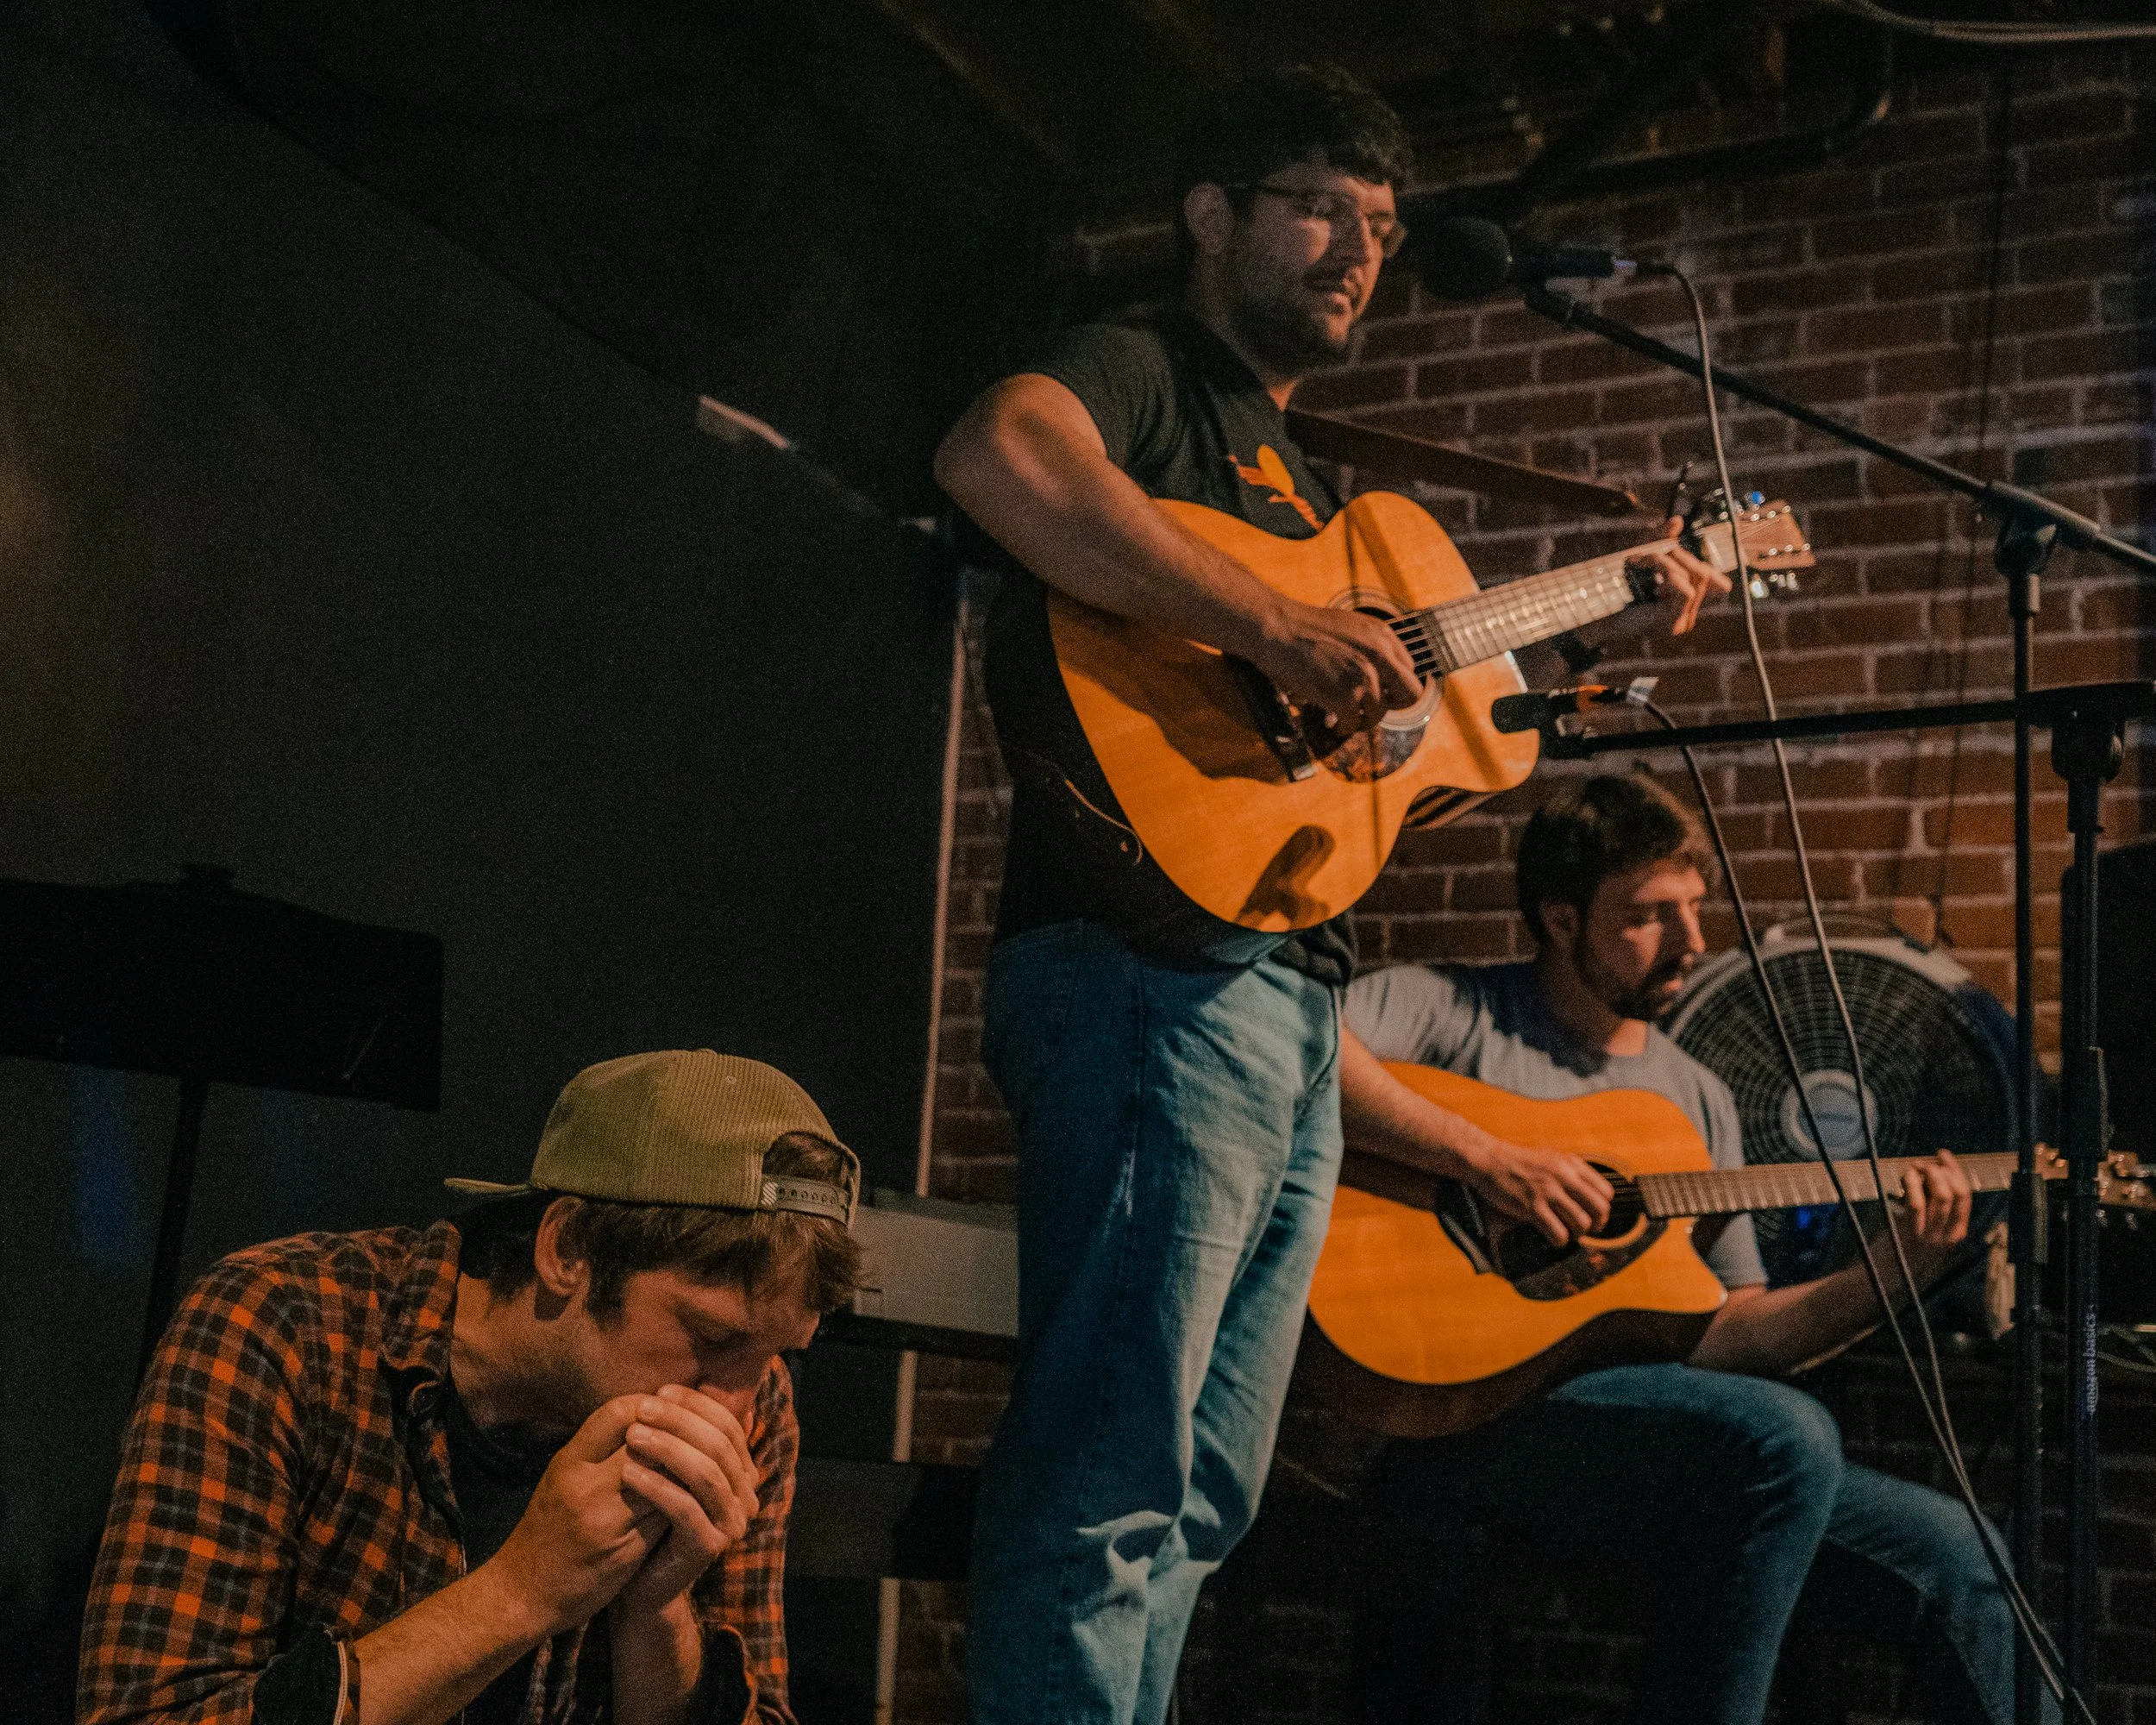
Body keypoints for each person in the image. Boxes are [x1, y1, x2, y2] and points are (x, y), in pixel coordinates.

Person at [932, 63, 1727, 1725]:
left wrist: (1600, 624)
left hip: (1280, 997)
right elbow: (999, 454)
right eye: (1319, 207)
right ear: (1209, 216)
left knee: (1209, 1492)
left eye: (1378, 224)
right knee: (1111, 1467)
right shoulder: (1150, 373)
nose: (1360, 248)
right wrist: (1276, 630)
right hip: (1148, 968)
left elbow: (1446, 727)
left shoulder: (1318, 476)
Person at [1340, 772, 2035, 1725]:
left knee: (1969, 1558)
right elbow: (1298, 1060)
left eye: (1694, 908)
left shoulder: (1693, 1094)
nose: (1693, 941)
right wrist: (1489, 1158)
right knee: (1780, 1434)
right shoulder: (1441, 1011)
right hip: (1462, 1420)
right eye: (1648, 914)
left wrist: (1894, 1269)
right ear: (1558, 917)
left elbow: (1726, 1333)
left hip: (1649, 1434)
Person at [78, 1049, 862, 1725]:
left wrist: (657, 1611)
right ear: (568, 1248)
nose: (738, 1401)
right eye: (713, 1337)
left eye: (781, 1355)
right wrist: (521, 1592)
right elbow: (154, 1710)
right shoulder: (282, 1327)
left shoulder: (754, 1402)